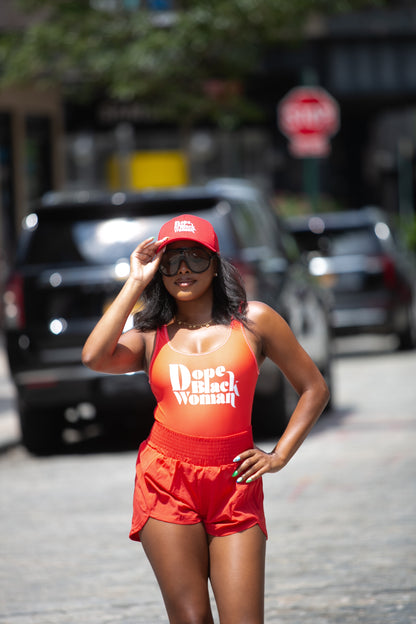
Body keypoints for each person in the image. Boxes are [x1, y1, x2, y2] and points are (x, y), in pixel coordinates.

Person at [82, 213, 329, 624]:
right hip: (167, 482)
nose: (183, 269)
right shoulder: (151, 334)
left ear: (216, 265)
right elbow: (94, 356)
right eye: (171, 261)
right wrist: (136, 281)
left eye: (195, 258)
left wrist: (279, 456)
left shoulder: (254, 321)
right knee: (192, 618)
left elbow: (314, 388)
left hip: (235, 483)